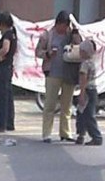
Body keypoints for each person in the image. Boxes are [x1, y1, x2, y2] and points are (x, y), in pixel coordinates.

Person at [35, 10, 82, 143]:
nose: (64, 28)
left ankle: (65, 132)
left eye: (67, 26)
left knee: (66, 105)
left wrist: (75, 31)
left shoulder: (70, 34)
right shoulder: (47, 35)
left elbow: (80, 45)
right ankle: (46, 133)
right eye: (63, 25)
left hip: (68, 73)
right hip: (52, 73)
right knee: (50, 104)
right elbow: (38, 52)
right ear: (57, 24)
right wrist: (48, 54)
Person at [75, 39, 103, 146]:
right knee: (82, 113)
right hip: (92, 90)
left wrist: (82, 94)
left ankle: (96, 136)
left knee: (87, 114)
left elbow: (83, 79)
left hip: (87, 90)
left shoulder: (85, 64)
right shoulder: (92, 62)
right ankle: (81, 135)